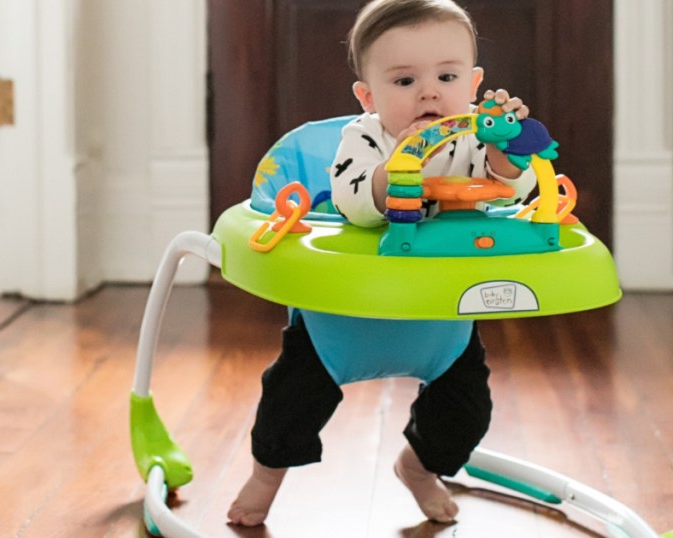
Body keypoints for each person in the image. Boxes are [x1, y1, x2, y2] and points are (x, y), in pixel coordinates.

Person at [227, 0, 538, 527]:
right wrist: (396, 172)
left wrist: (507, 151)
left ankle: (418, 467)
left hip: (442, 317)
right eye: (404, 81)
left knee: (466, 414)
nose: (429, 92)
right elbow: (352, 199)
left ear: (474, 83)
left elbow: (515, 191)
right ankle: (265, 475)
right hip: (342, 321)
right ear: (368, 97)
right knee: (289, 404)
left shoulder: (471, 142)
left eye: (447, 76)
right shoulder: (364, 140)